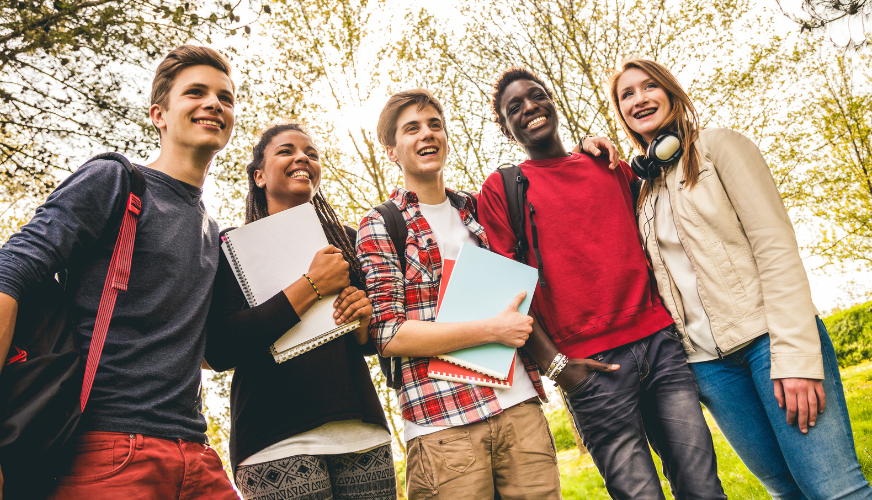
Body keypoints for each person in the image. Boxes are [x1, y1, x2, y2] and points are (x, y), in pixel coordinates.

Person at [0, 45, 239, 499]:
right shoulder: (116, 180)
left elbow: (205, 351)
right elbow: (0, 279)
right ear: (159, 114)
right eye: (195, 92)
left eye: (226, 97)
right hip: (110, 452)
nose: (214, 104)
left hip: (198, 458)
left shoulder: (211, 230)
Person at [608, 58, 872, 500]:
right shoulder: (644, 191)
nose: (640, 99)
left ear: (671, 93)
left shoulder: (720, 148)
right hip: (710, 369)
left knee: (835, 491)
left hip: (769, 343)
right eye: (626, 95)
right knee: (785, 492)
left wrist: (795, 356)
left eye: (649, 86)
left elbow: (776, 248)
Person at [477, 67, 727, 500]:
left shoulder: (607, 165)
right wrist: (558, 367)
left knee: (703, 488)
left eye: (536, 96)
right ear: (504, 126)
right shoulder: (502, 189)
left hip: (660, 346)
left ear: (552, 100)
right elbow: (505, 295)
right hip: (591, 370)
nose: (529, 108)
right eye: (514, 107)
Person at [357, 88, 618, 500]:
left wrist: (585, 151)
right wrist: (491, 330)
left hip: (520, 410)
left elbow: (552, 193)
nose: (427, 134)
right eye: (412, 129)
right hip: (443, 429)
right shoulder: (381, 225)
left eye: (434, 125)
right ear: (391, 150)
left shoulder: (479, 208)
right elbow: (387, 334)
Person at [204, 123, 397, 500]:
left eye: (311, 153)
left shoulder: (347, 239)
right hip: (274, 440)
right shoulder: (230, 247)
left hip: (361, 431)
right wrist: (311, 285)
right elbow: (220, 348)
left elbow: (368, 342)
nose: (302, 158)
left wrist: (363, 319)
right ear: (258, 175)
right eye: (286, 150)